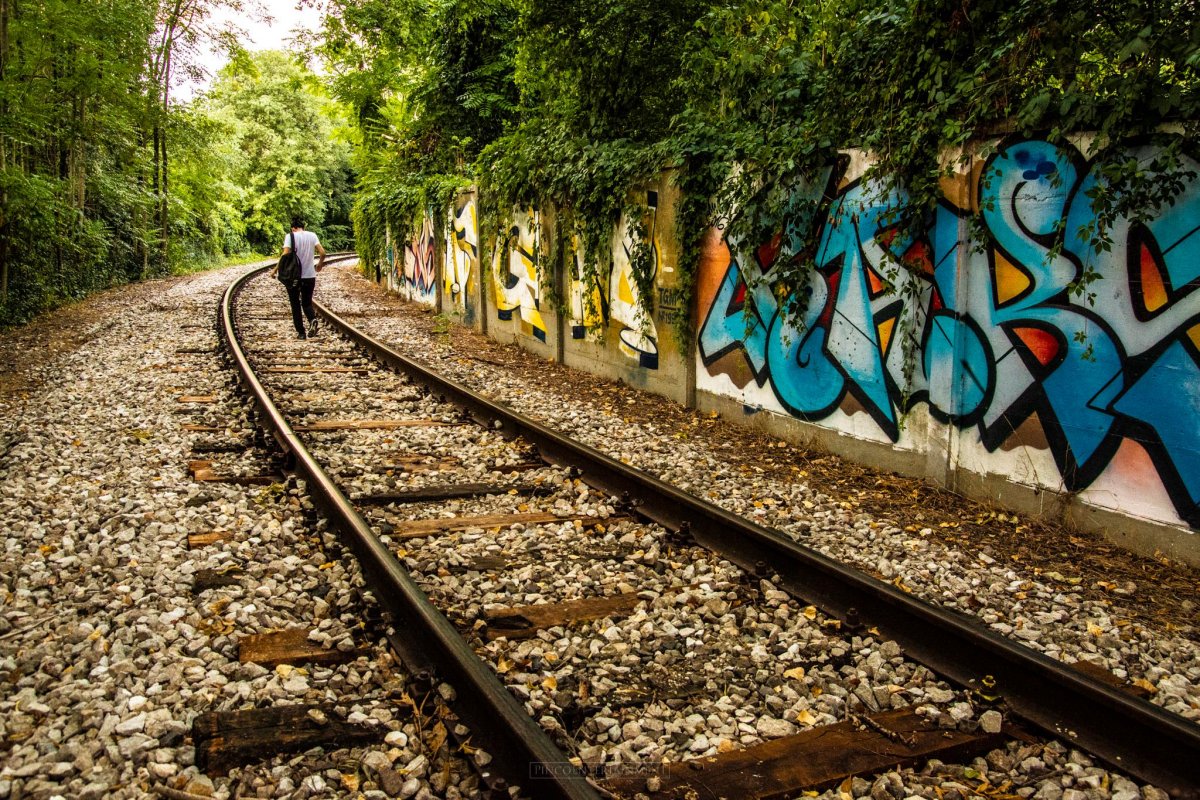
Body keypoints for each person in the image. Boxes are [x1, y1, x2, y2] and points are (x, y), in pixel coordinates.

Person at [273, 218, 326, 339]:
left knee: (295, 304)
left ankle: (301, 333)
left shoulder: (290, 236)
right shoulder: (312, 235)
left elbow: (285, 254)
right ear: (303, 227)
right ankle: (312, 320)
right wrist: (319, 265)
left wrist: (275, 270)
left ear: (293, 228)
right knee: (307, 303)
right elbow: (323, 253)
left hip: (293, 277)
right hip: (310, 276)